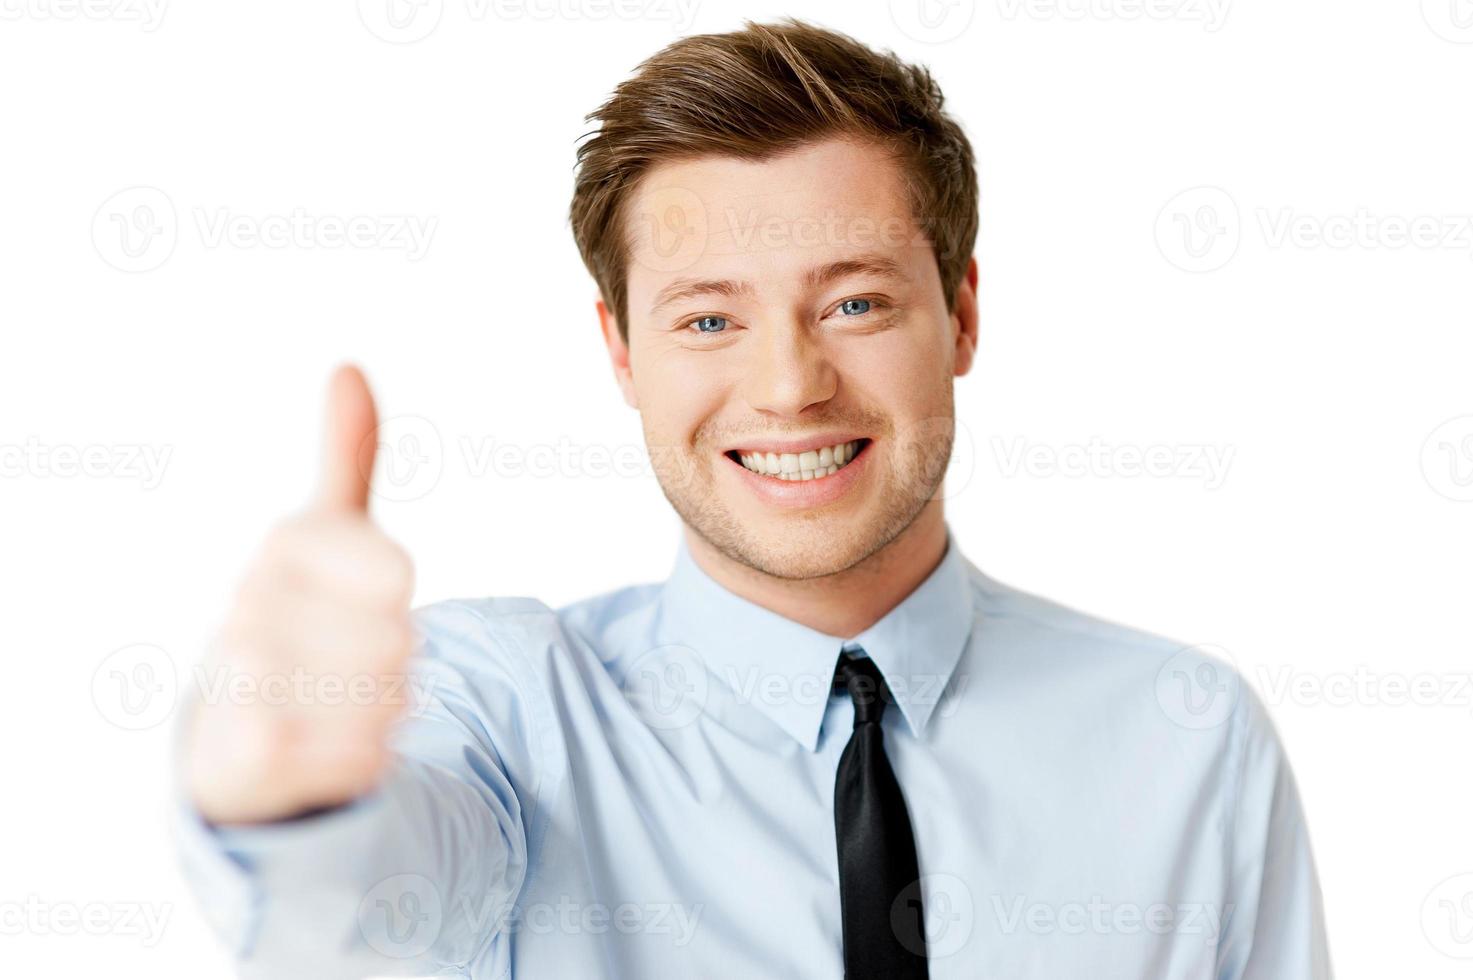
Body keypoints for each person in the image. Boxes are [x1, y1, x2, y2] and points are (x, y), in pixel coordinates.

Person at [172, 19, 1331, 979]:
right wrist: (286, 799)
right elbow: (363, 897)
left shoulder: (1189, 737)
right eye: (709, 319)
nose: (790, 386)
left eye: (857, 304)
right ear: (622, 353)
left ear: (963, 314)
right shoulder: (506, 715)